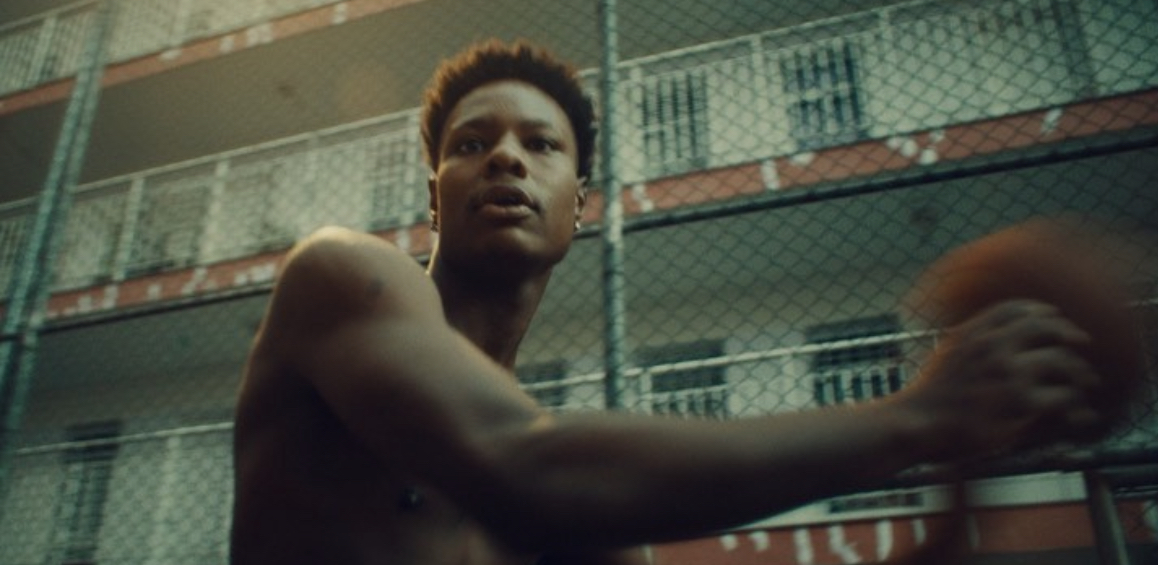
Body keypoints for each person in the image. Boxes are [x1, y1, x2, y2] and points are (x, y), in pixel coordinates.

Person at [230, 40, 1102, 564]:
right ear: (433, 196)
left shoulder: (588, 499)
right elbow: (526, 469)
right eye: (471, 143)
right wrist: (923, 418)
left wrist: (945, 515)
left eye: (540, 144)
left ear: (580, 204)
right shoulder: (342, 276)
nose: (505, 158)